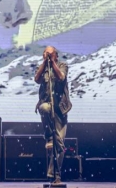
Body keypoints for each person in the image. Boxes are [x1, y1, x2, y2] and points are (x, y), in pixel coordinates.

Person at [34, 46, 72, 184]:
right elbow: (37, 79)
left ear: (56, 55)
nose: (48, 56)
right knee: (43, 107)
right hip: (48, 106)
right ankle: (49, 136)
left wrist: (52, 63)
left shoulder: (62, 65)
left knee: (60, 145)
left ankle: (54, 175)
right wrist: (45, 63)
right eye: (45, 53)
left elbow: (61, 77)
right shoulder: (42, 68)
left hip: (60, 110)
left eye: (50, 54)